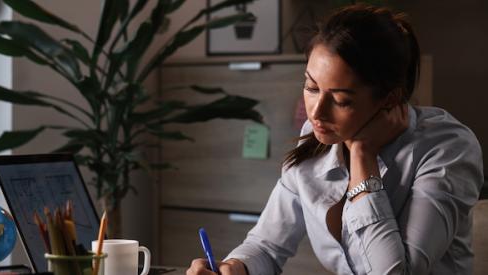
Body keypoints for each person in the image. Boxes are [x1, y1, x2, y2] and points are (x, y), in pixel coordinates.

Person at [187, 4, 483, 275]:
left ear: (390, 98)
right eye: (311, 87)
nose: (316, 113)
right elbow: (267, 245)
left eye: (341, 100)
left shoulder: (447, 148)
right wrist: (234, 267)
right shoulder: (313, 141)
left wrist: (362, 155)